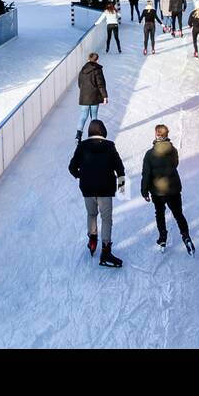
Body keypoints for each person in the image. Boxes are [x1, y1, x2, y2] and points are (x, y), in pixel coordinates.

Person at [67, 118, 126, 268]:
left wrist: (81, 176)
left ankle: (92, 240)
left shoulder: (82, 146)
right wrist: (122, 185)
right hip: (105, 189)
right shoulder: (110, 146)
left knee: (91, 214)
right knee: (106, 219)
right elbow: (120, 167)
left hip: (87, 189)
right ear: (103, 131)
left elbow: (72, 167)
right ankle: (106, 250)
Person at [141, 123, 193, 254]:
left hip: (158, 191)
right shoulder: (173, 150)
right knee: (178, 213)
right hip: (173, 188)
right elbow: (175, 164)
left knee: (160, 213)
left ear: (156, 134)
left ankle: (163, 238)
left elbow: (146, 174)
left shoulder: (149, 154)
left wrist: (144, 191)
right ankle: (186, 236)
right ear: (166, 135)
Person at [76, 52, 108, 142]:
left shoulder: (82, 70)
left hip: (84, 97)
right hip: (94, 97)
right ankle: (94, 136)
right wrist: (104, 96)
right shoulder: (97, 69)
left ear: (88, 59)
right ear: (97, 60)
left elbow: (79, 84)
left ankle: (78, 135)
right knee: (94, 117)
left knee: (83, 116)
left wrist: (84, 92)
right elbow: (100, 84)